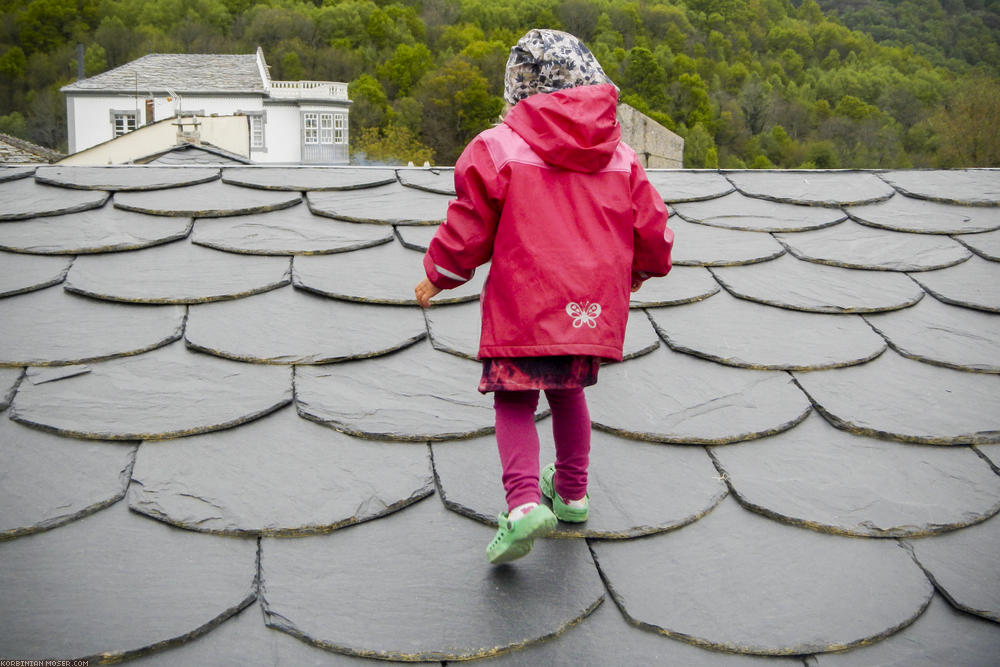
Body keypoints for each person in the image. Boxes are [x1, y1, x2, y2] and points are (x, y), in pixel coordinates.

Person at [414, 29, 673, 564]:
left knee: (514, 398)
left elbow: (469, 226)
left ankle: (523, 504)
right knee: (568, 391)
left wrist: (439, 273)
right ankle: (574, 495)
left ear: (519, 89)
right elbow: (651, 225)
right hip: (588, 311)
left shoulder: (498, 148)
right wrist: (644, 270)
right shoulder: (621, 156)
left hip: (523, 306)